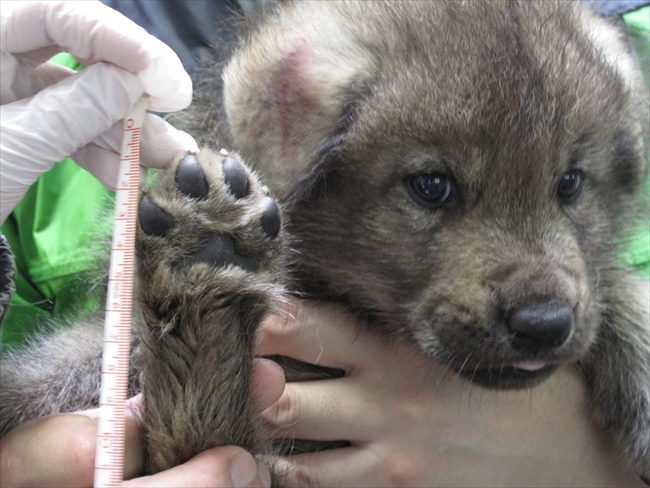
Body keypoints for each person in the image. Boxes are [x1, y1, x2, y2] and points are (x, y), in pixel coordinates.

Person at [1, 1, 648, 487]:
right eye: (433, 187)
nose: (548, 299)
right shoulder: (62, 66)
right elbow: (62, 403)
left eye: (568, 185)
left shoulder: (604, 41)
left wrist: (588, 461)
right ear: (287, 129)